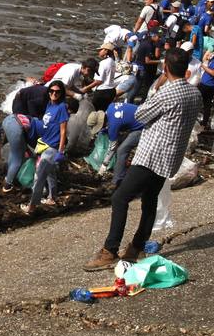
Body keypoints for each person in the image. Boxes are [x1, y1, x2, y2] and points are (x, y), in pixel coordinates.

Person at [87, 49, 200, 271]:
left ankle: (110, 250)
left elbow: (140, 115)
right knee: (149, 201)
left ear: (165, 68)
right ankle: (136, 248)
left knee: (120, 198)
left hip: (152, 155)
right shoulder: (194, 93)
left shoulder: (166, 93)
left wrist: (157, 86)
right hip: (171, 157)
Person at [22, 80, 68, 215]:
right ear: (48, 92)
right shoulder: (49, 105)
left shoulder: (62, 107)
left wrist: (61, 151)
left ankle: (31, 206)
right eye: (52, 91)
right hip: (44, 144)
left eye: (57, 92)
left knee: (39, 176)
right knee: (50, 173)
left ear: (61, 93)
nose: (54, 94)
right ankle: (52, 198)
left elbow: (63, 130)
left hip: (53, 147)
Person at [1, 80, 48, 192]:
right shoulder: (46, 134)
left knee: (15, 151)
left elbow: (28, 143)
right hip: (17, 127)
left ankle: (8, 173)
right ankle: (7, 185)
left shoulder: (41, 123)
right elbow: (36, 147)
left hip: (9, 120)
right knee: (18, 158)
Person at [102, 98, 144, 188]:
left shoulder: (113, 125)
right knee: (121, 143)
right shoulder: (110, 107)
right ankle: (122, 170)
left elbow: (112, 148)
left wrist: (104, 164)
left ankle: (117, 181)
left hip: (143, 126)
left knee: (121, 150)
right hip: (140, 117)